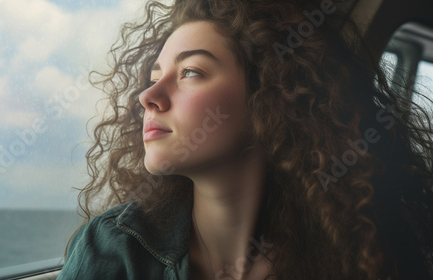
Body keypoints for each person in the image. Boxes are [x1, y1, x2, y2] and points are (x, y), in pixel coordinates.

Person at [57, 0, 433, 279]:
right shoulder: (113, 248)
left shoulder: (362, 255)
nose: (147, 96)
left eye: (190, 71)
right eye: (154, 75)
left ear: (269, 97)